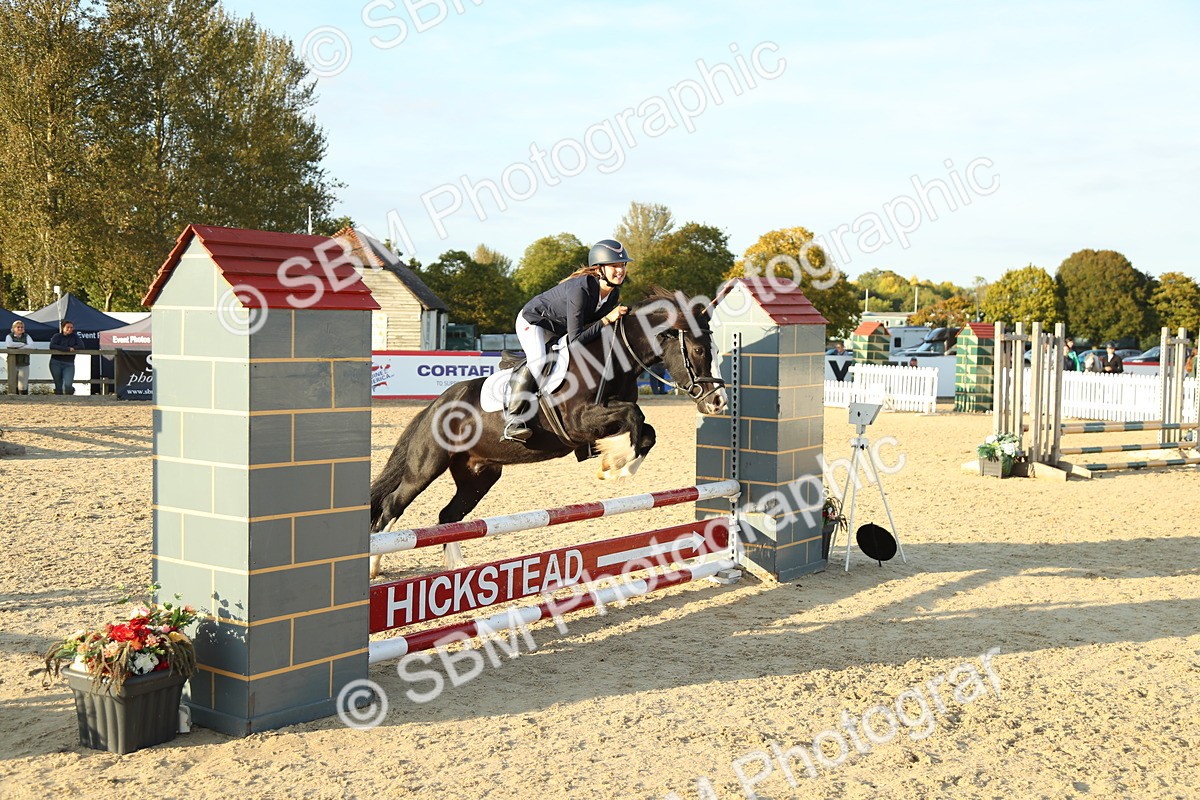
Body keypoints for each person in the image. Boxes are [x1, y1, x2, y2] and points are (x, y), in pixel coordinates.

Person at [503, 239, 631, 441]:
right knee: (538, 362)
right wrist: (607, 319)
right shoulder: (580, 290)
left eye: (623, 265)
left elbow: (590, 333)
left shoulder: (612, 295)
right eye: (615, 265)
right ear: (599, 269)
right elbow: (577, 338)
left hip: (561, 328)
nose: (620, 270)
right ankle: (514, 420)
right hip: (535, 321)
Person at [48, 319, 82, 395]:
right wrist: (67, 349)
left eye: (71, 327)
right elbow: (52, 346)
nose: (70, 329)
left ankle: (70, 394)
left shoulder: (75, 336)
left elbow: (81, 346)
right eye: (68, 327)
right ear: (63, 328)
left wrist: (72, 348)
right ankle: (60, 400)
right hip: (56, 362)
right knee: (58, 384)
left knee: (68, 384)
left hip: (69, 363)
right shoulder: (57, 336)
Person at [4, 320, 35, 394]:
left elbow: (32, 346)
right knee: (12, 382)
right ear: (13, 328)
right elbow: (9, 344)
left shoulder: (27, 336)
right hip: (12, 363)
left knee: (23, 384)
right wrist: (23, 344)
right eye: (18, 327)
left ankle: (23, 399)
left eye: (21, 327)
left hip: (24, 363)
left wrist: (19, 347)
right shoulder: (9, 336)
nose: (20, 329)